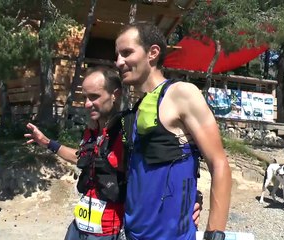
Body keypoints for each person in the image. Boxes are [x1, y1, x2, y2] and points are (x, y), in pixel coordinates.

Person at [24, 67, 202, 239]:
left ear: (114, 95)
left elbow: (158, 170)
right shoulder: (92, 130)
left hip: (110, 231)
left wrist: (194, 198)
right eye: (85, 97)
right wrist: (48, 143)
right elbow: (81, 157)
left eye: (94, 97)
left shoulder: (129, 130)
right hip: (79, 226)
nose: (87, 104)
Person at [115, 22, 231, 240]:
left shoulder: (181, 94)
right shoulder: (137, 107)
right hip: (131, 234)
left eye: (126, 53)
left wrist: (214, 233)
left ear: (153, 53)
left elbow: (219, 164)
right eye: (117, 55)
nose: (118, 62)